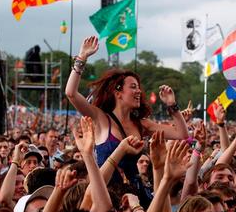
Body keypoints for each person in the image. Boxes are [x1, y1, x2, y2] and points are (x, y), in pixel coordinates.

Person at [65, 35, 188, 183]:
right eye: (133, 87)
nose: (139, 92)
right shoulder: (101, 118)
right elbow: (71, 93)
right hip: (105, 194)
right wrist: (82, 57)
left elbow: (182, 134)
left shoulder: (142, 124)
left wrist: (172, 105)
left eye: (139, 88)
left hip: (135, 197)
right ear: (118, 93)